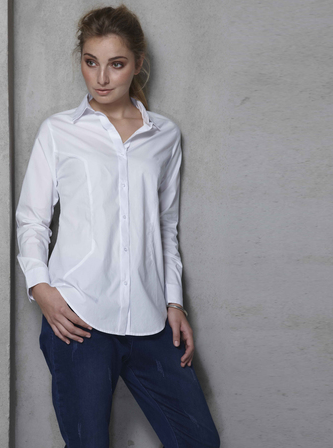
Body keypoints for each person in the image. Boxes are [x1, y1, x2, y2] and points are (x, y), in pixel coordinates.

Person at [15, 4, 220, 448]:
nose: (102, 78)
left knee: (199, 440)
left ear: (138, 64)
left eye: (116, 64)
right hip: (79, 318)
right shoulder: (58, 132)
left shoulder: (164, 136)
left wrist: (174, 302)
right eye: (91, 62)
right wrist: (41, 289)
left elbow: (165, 226)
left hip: (150, 318)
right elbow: (32, 218)